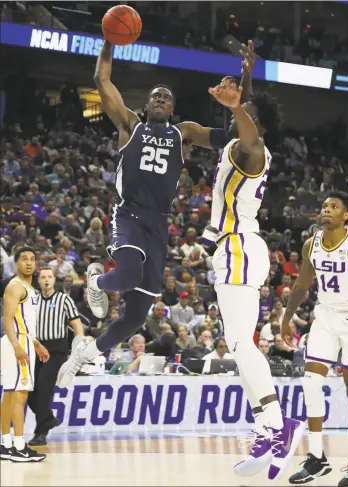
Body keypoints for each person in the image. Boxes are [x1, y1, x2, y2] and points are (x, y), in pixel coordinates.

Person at [57, 40, 256, 388]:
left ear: (173, 107)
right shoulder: (129, 125)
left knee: (134, 317)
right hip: (129, 213)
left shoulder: (185, 134)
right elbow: (102, 80)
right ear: (146, 105)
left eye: (167, 98)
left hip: (159, 224)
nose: (162, 100)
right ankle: (95, 282)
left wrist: (244, 84)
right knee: (129, 271)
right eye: (156, 97)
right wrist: (108, 40)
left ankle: (85, 353)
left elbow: (236, 135)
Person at [200, 77, 304, 480]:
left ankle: (279, 425)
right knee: (241, 344)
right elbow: (205, 130)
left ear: (254, 124)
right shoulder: (234, 143)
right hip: (234, 250)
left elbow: (248, 134)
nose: (237, 116)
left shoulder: (255, 151)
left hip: (239, 245)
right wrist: (243, 83)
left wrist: (237, 106)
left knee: (242, 342)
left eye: (246, 114)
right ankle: (266, 425)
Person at [282, 192, 348, 486]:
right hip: (325, 317)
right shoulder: (311, 244)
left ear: (346, 216)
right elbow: (302, 283)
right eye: (324, 206)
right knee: (311, 382)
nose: (326, 210)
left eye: (334, 207)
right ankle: (316, 458)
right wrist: (286, 317)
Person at [0, 247, 49, 462]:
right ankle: (19, 447)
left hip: (24, 340)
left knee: (11, 394)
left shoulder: (30, 290)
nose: (29, 263)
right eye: (24, 259)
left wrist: (36, 343)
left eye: (32, 259)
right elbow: (8, 319)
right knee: (20, 394)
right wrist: (17, 345)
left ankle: (5, 443)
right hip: (16, 341)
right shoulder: (15, 286)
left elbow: (25, 321)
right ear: (16, 264)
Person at [27, 267, 84, 446]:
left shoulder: (64, 299)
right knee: (30, 393)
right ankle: (49, 419)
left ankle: (40, 433)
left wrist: (78, 346)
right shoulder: (32, 300)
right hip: (35, 349)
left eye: (49, 277)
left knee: (44, 389)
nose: (46, 280)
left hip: (56, 350)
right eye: (43, 277)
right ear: (38, 281)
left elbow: (77, 324)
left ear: (54, 280)